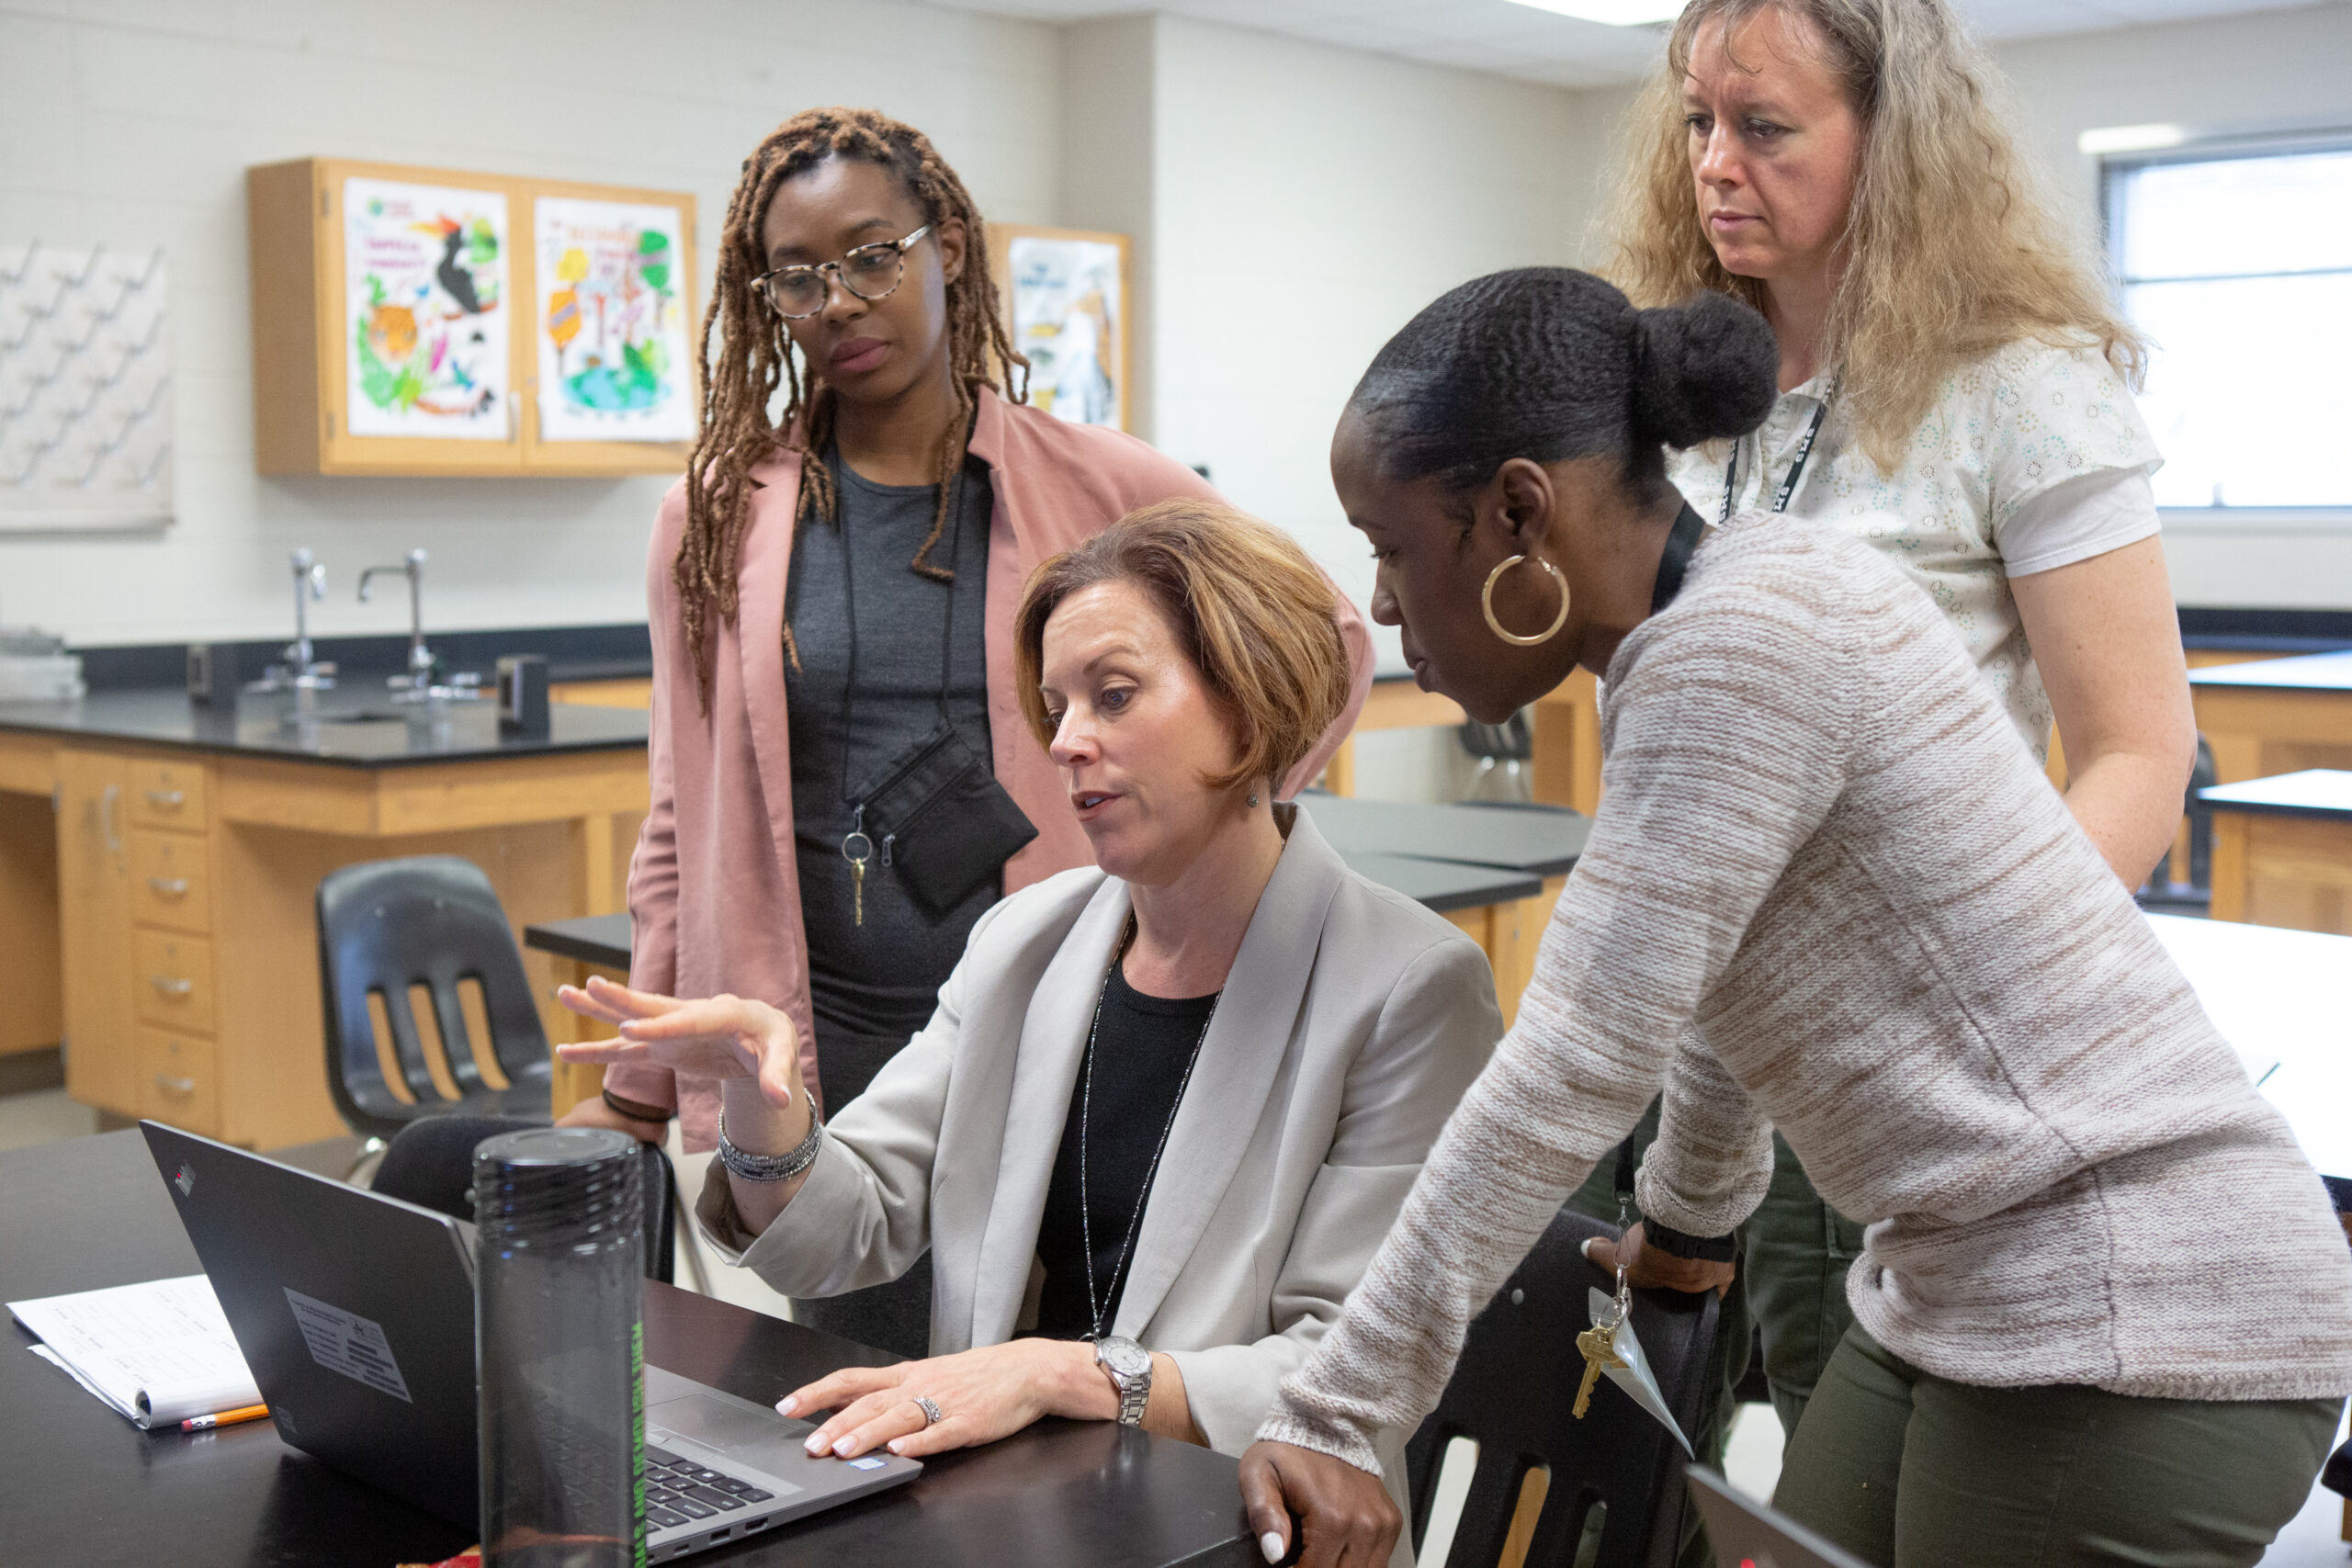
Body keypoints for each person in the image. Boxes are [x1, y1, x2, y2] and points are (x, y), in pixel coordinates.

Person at [1237, 269, 2352, 1568]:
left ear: (1517, 512)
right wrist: (1688, 1224)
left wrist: (1342, 1406)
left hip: (2135, 1304)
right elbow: (1725, 965)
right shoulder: (1738, 603)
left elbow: (1568, 1068)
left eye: (1390, 546)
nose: (1379, 603)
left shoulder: (1735, 648)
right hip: (1966, 1278)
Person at [557, 107, 1370, 1356]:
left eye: (874, 253)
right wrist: (637, 1086)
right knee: (881, 1423)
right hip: (826, 1047)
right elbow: (683, 808)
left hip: (1070, 1015)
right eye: (799, 274)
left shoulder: (1101, 483)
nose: (840, 299)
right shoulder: (714, 514)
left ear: (948, 249)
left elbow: (1326, 630)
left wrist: (1214, 821)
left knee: (1082, 1391)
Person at [557, 504, 1498, 1562]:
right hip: (1016, 1520)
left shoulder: (1410, 985)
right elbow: (847, 1231)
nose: (1063, 741)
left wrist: (1059, 1372)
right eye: (1054, 705)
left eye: (1114, 694)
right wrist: (758, 1108)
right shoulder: (1026, 941)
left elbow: (1348, 1369)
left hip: (1235, 1529)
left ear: (1251, 700)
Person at [1588, 0, 2199, 1437]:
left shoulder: (2023, 386)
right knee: (1621, 1448)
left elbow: (2138, 750)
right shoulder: (1668, 392)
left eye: (1766, 127)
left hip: (1870, 1056)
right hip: (1662, 1020)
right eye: (1698, 123)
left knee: (1829, 1453)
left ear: (1893, 143)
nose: (1716, 164)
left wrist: (1974, 983)